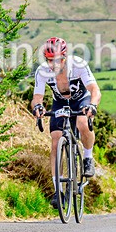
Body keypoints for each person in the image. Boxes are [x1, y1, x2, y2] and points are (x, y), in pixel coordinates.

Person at [31, 37, 101, 208]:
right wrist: (38, 108)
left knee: (83, 124)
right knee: (55, 141)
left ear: (64, 57)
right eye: (49, 60)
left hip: (81, 100)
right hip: (60, 102)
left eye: (57, 60)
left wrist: (92, 105)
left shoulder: (79, 65)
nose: (53, 64)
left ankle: (87, 157)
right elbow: (37, 98)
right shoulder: (42, 71)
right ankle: (58, 191)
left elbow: (94, 90)